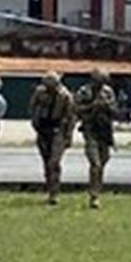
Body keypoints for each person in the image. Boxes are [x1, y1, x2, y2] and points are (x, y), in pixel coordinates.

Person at [29, 70, 75, 205]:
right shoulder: (40, 93)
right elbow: (32, 107)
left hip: (58, 131)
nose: (49, 90)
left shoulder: (65, 96)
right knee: (46, 162)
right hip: (43, 130)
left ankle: (54, 193)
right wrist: (35, 122)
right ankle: (49, 186)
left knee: (54, 162)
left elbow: (71, 117)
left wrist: (68, 136)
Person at [75, 68, 117, 209]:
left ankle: (97, 186)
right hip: (90, 130)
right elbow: (75, 109)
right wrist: (92, 106)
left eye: (103, 81)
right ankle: (94, 196)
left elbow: (115, 110)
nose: (100, 84)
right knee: (95, 163)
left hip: (104, 131)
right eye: (98, 81)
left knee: (103, 161)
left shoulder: (108, 92)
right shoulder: (84, 91)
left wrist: (107, 106)